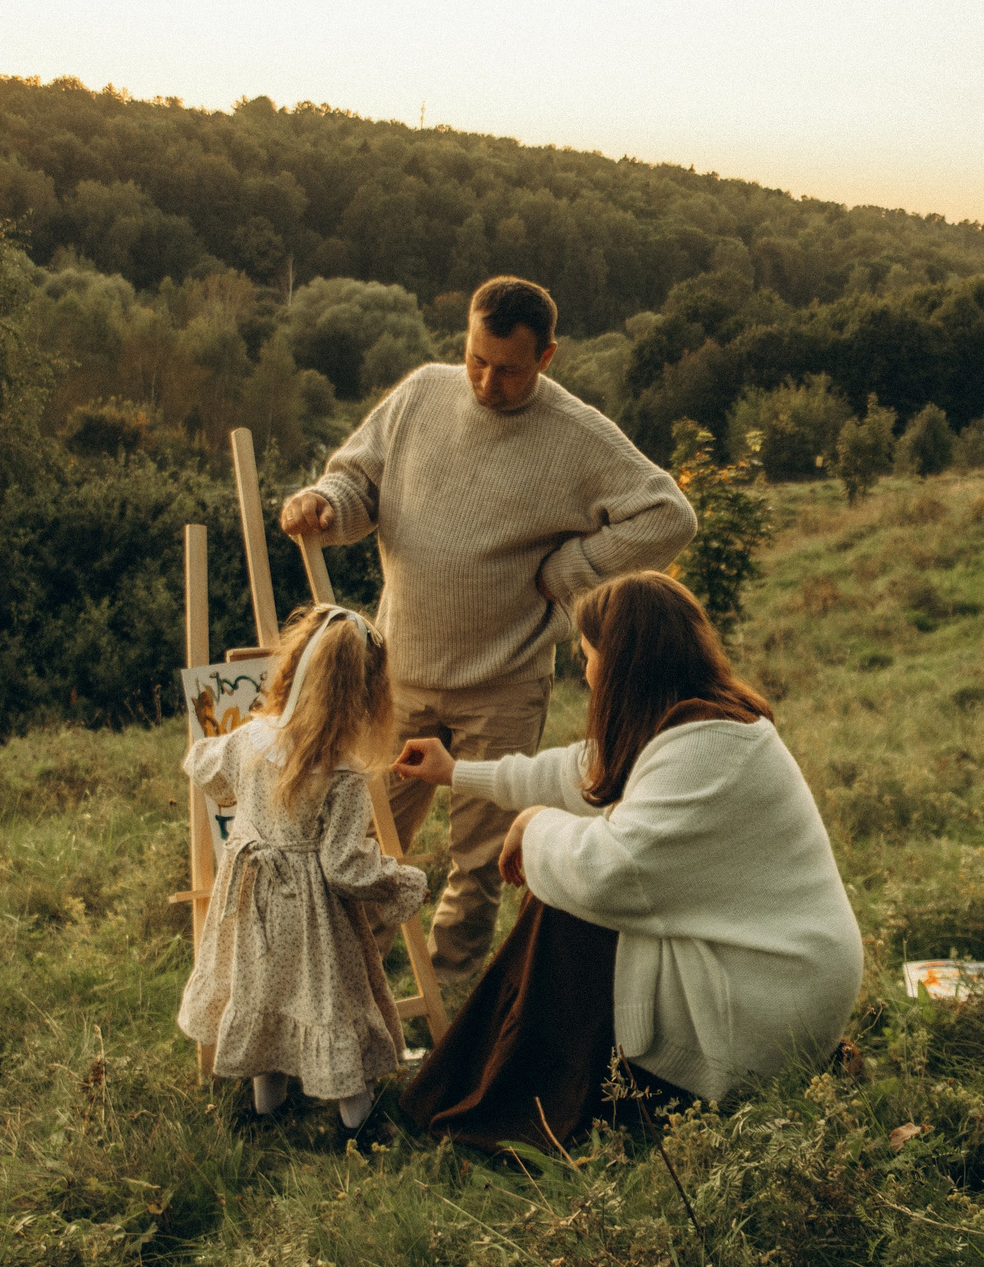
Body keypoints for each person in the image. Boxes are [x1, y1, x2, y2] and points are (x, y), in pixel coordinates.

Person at [279, 276, 696, 983]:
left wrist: (570, 570)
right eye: (476, 359)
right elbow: (358, 481)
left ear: (547, 356)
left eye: (508, 370)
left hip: (503, 683)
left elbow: (668, 515)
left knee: (477, 860)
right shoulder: (421, 395)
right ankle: (351, 984)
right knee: (365, 836)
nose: (486, 382)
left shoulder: (576, 434)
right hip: (401, 673)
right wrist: (324, 503)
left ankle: (448, 998)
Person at [392, 571, 864, 1151]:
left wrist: (533, 826)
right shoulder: (691, 724)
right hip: (767, 974)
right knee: (563, 878)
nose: (588, 673)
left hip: (769, 997)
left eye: (589, 656)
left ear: (622, 665)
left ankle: (512, 1105)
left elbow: (612, 875)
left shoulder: (707, 748)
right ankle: (486, 1083)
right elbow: (578, 772)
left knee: (568, 906)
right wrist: (454, 772)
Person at [178, 603, 428, 1134]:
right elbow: (344, 866)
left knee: (260, 993)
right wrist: (401, 881)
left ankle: (266, 1111)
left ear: (292, 669)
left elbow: (205, 765)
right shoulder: (341, 772)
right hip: (313, 919)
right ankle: (357, 1122)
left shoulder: (249, 739)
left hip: (250, 903)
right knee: (327, 1002)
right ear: (363, 695)